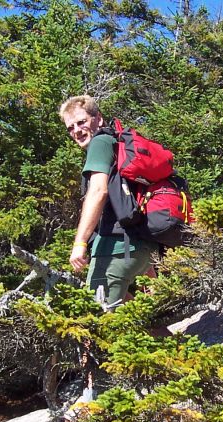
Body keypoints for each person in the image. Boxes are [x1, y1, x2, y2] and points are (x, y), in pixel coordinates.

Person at [59, 95, 158, 306]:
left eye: (82, 122)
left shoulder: (101, 142)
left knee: (96, 318)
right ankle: (179, 341)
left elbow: (98, 191)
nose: (76, 130)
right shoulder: (117, 142)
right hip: (139, 246)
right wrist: (147, 267)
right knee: (137, 318)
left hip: (116, 248)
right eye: (70, 127)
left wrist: (80, 243)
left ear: (99, 119)